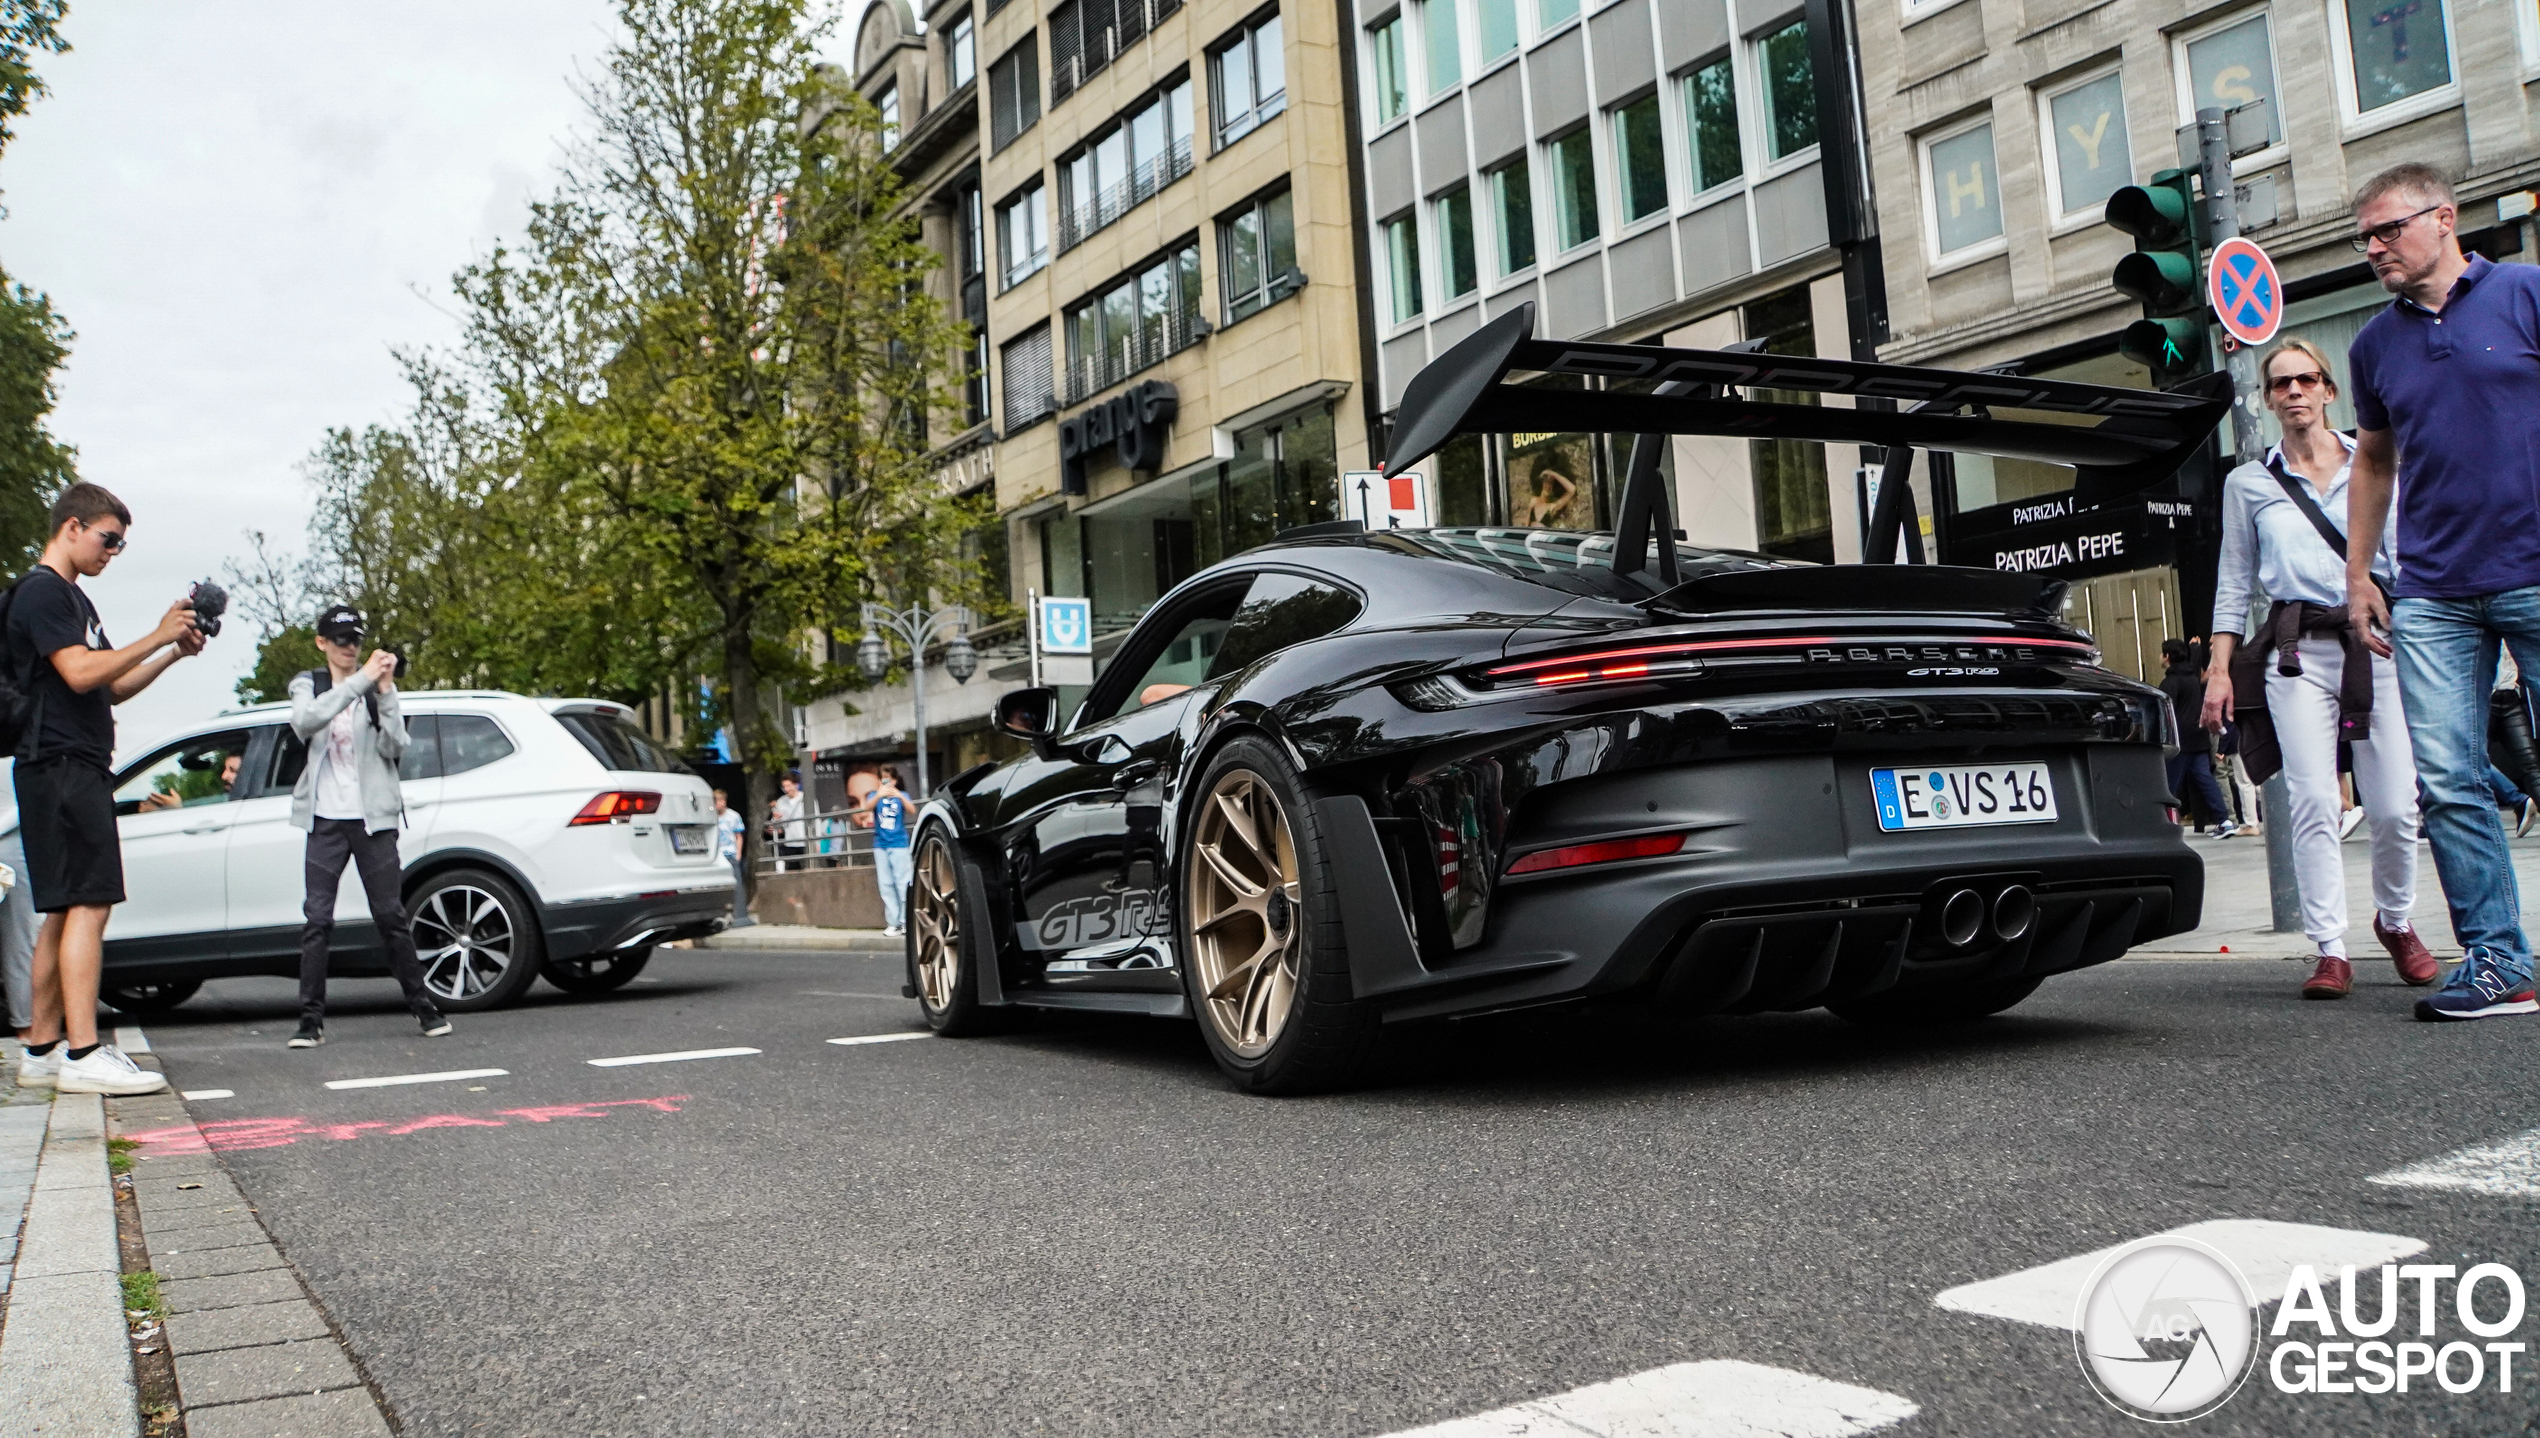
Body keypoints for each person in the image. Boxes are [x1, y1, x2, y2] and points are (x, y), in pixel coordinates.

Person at [2341, 162, 2540, 1021]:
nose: (2375, 248)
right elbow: (2375, 460)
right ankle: (2500, 963)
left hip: (2536, 571)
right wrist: (2358, 574)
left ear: (2444, 219)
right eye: (2366, 238)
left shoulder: (2527, 293)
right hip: (2432, 590)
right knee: (2450, 781)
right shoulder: (2372, 346)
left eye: (2388, 230)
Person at [2203, 337, 2432, 1001]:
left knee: (2393, 806)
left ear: (2330, 391)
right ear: (2269, 399)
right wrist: (2220, 670)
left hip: (2379, 643)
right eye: (2282, 384)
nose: (2296, 392)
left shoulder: (2376, 462)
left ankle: (2395, 921)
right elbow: (2234, 582)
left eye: (2307, 380)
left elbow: (2408, 556)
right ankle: (2330, 948)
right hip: (2296, 652)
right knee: (2311, 800)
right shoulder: (2249, 483)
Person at [8, 483, 201, 1096]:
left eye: (120, 544)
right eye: (107, 538)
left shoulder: (71, 600)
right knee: (90, 903)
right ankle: (84, 1052)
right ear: (71, 526)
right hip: (63, 764)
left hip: (61, 765)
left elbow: (110, 686)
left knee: (62, 908)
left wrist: (171, 649)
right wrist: (156, 629)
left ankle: (41, 1048)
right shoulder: (44, 592)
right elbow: (79, 669)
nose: (112, 552)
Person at [285, 605, 447, 1048]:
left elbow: (396, 746)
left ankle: (424, 1007)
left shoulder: (375, 689)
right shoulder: (310, 684)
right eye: (340, 640)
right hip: (324, 819)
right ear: (322, 643)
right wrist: (360, 682)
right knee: (317, 919)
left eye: (355, 640)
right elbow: (304, 721)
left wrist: (387, 689)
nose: (349, 648)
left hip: (373, 819)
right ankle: (310, 1020)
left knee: (391, 915)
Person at [2158, 639, 2235, 838]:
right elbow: (2193, 664)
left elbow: (2167, 712)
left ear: (2167, 657)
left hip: (2180, 739)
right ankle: (2224, 820)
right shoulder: (2192, 676)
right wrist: (2195, 648)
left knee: (2170, 784)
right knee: (2206, 780)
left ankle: (2164, 824)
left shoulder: (2169, 683)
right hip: (2199, 736)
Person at [867, 767, 913, 936]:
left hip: (899, 844)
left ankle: (906, 921)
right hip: (880, 844)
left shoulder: (903, 795)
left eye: (888, 780)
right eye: (882, 780)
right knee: (885, 884)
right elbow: (867, 807)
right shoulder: (874, 795)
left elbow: (912, 810)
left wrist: (899, 795)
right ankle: (893, 922)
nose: (885, 783)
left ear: (894, 780)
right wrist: (879, 794)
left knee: (903, 883)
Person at [713, 787, 753, 927]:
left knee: (737, 883)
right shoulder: (711, 816)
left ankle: (740, 914)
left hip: (730, 852)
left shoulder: (733, 816)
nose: (716, 804)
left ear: (723, 802)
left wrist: (738, 853)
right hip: (717, 855)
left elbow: (738, 836)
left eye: (718, 801)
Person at [772, 773, 806, 871]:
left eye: (788, 786)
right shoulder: (781, 802)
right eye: (784, 786)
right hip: (790, 842)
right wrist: (776, 819)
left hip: (805, 842)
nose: (786, 789)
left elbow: (816, 820)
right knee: (792, 871)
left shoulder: (806, 799)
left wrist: (817, 842)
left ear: (796, 784)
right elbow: (777, 826)